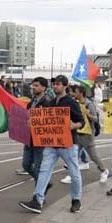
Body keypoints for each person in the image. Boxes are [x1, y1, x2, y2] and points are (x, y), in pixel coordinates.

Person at [19, 75, 85, 214]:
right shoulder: (51, 102)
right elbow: (43, 119)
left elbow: (81, 122)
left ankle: (76, 200)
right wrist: (34, 124)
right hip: (51, 143)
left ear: (65, 86)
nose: (55, 86)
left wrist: (74, 125)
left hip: (68, 144)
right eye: (54, 84)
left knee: (74, 172)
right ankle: (38, 200)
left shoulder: (72, 103)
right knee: (44, 171)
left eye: (58, 84)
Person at [61, 85, 108, 184]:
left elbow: (95, 119)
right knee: (73, 156)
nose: (74, 94)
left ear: (81, 93)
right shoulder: (76, 103)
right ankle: (71, 175)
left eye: (76, 92)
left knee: (93, 156)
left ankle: (104, 171)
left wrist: (87, 114)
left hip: (87, 134)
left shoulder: (89, 104)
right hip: (78, 133)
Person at [20, 77, 51, 185]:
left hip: (40, 140)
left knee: (38, 168)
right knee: (26, 165)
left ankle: (39, 193)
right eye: (33, 85)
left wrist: (35, 122)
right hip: (29, 139)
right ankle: (43, 183)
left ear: (44, 87)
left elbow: (51, 122)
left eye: (36, 85)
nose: (33, 87)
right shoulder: (32, 101)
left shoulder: (47, 102)